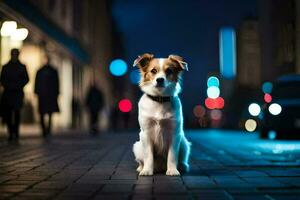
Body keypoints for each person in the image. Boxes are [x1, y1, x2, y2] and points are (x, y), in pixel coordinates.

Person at [0, 49, 29, 141]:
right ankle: (11, 132)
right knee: (8, 114)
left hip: (17, 93)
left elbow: (26, 79)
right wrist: (8, 86)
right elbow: (2, 79)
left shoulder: (22, 67)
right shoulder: (5, 67)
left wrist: (18, 85)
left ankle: (16, 132)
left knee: (17, 113)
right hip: (8, 93)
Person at [34, 56, 59, 137]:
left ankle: (47, 129)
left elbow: (56, 84)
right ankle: (44, 130)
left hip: (49, 95)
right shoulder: (40, 71)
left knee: (49, 113)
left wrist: (56, 93)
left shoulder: (52, 71)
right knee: (43, 113)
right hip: (43, 95)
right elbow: (37, 83)